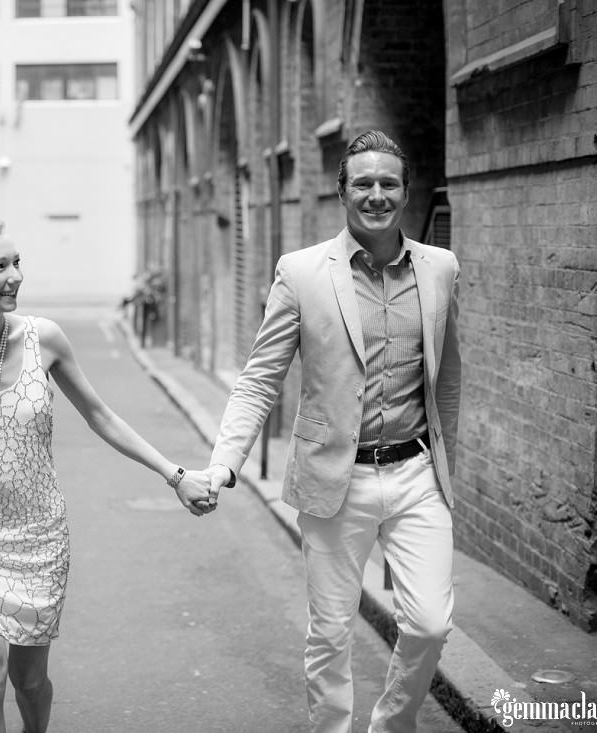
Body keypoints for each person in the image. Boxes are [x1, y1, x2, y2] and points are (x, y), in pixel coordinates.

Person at [0, 217, 214, 733]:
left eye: (17, 262)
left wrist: (173, 473)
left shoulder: (41, 338)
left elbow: (101, 416)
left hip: (38, 536)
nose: (16, 276)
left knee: (29, 683)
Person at [203, 130, 462, 733]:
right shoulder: (301, 273)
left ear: (406, 190)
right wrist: (225, 461)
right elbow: (260, 379)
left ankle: (391, 725)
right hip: (333, 480)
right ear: (342, 191)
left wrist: (451, 472)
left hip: (417, 472)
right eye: (364, 183)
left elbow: (448, 377)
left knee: (428, 625)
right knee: (331, 633)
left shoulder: (441, 268)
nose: (377, 194)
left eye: (389, 183)